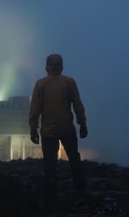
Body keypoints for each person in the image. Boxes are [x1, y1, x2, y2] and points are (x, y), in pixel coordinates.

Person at [29, 54, 88, 205]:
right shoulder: (69, 82)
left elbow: (35, 108)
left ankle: (50, 197)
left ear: (46, 66)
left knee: (50, 164)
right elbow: (77, 105)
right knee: (74, 160)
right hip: (67, 129)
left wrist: (33, 129)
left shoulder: (40, 84)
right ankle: (81, 191)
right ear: (61, 66)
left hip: (48, 132)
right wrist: (82, 124)